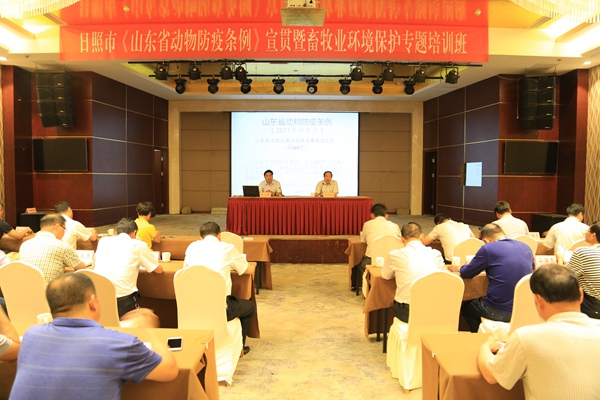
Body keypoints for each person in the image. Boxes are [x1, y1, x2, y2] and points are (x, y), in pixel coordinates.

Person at [10, 273, 177, 399]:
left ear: (51, 308)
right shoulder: (118, 343)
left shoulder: (31, 335)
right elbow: (169, 371)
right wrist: (150, 331)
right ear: (93, 303)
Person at [478, 264, 600, 400]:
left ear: (538, 300)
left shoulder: (526, 337)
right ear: (581, 295)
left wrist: (486, 346)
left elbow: (491, 375)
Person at [184, 221, 255, 353]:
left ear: (201, 237)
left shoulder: (192, 247)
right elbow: (248, 270)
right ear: (219, 236)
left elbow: (186, 270)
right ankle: (240, 348)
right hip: (220, 308)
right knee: (249, 307)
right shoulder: (227, 248)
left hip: (192, 306)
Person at [449, 223, 534, 332]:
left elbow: (466, 273)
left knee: (467, 308)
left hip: (498, 310)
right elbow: (531, 268)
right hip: (522, 309)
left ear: (485, 240)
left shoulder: (488, 248)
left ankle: (480, 338)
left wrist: (466, 265)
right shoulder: (525, 247)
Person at [93, 218, 163, 318]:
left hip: (99, 297)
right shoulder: (138, 245)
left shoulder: (103, 241)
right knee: (147, 317)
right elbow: (158, 270)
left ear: (116, 232)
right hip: (123, 300)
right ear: (134, 233)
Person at [381, 222, 444, 322]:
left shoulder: (395, 255)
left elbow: (385, 275)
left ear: (402, 239)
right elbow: (442, 276)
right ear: (422, 237)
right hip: (434, 309)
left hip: (407, 310)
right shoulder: (436, 254)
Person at [19, 213, 85, 284]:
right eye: (64, 229)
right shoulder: (62, 246)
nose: (64, 232)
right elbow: (82, 269)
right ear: (57, 226)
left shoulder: (24, 245)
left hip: (25, 289)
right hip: (50, 290)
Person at [353, 203, 401, 290]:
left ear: (372, 215)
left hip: (372, 261)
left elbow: (363, 241)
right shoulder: (395, 226)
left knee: (361, 264)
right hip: (393, 261)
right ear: (386, 216)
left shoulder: (367, 224)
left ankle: (368, 289)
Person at [566, 221, 600, 319]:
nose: (585, 232)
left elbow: (564, 276)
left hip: (593, 307)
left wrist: (559, 258)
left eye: (588, 230)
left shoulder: (583, 252)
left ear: (593, 235)